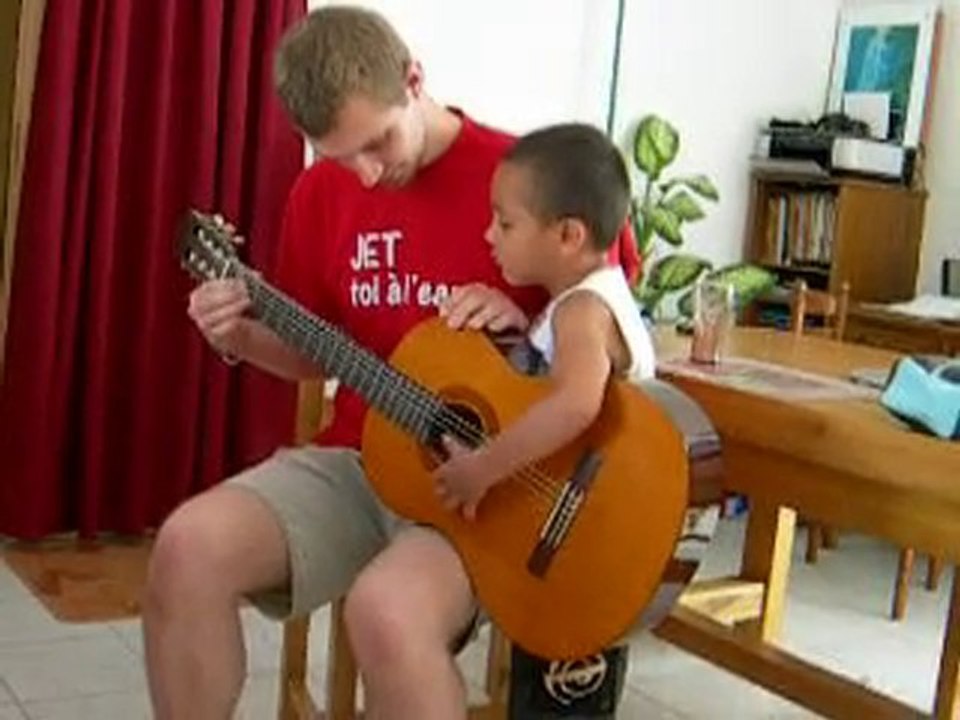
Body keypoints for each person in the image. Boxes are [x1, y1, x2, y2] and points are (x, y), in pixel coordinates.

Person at [143, 6, 637, 720]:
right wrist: (240, 335)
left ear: (413, 80)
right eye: (340, 155)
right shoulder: (318, 195)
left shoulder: (528, 178)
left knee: (386, 612)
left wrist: (529, 323)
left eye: (377, 142)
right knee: (185, 550)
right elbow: (316, 353)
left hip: (497, 489)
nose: (366, 175)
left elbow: (613, 324)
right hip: (358, 459)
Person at [434, 122, 655, 524]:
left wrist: (483, 468)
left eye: (505, 224)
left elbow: (574, 404)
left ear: (569, 235)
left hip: (587, 517)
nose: (488, 235)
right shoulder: (579, 302)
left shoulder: (583, 308)